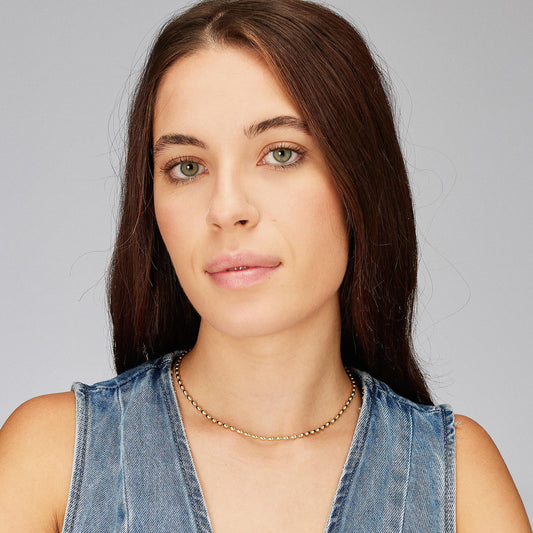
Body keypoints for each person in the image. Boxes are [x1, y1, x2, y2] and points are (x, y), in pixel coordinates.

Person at [0, 0, 530, 531]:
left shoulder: (456, 480)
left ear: (359, 183)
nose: (227, 208)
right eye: (187, 166)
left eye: (281, 153)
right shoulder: (52, 460)